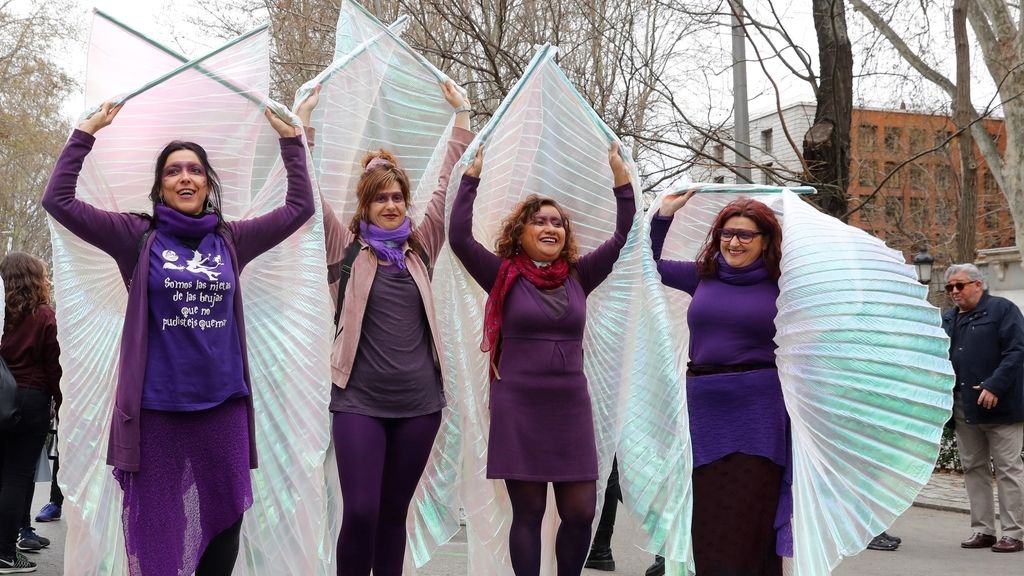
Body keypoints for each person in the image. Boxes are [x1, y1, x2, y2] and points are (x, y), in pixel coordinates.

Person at [41, 101, 313, 575]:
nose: (185, 178)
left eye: (195, 170)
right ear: (160, 186)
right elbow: (58, 201)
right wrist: (86, 131)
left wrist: (291, 140)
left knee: (225, 523)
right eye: (173, 171)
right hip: (157, 411)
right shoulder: (136, 237)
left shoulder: (231, 240)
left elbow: (299, 208)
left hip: (222, 405)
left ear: (208, 183)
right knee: (159, 531)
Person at [296, 80, 473, 576]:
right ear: (366, 205)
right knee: (362, 513)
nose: (391, 206)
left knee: (394, 516)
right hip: (358, 402)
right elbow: (306, 190)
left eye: (397, 197)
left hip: (419, 404)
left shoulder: (421, 246)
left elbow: (449, 184)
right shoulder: (344, 248)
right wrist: (301, 123)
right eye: (381, 200)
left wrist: (461, 114)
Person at [448, 143, 635, 576]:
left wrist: (620, 178)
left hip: (570, 407)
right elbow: (458, 237)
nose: (550, 227)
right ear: (521, 231)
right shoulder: (502, 275)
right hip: (519, 407)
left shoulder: (579, 276)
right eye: (540, 221)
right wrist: (471, 178)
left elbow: (624, 237)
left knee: (581, 512)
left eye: (558, 223)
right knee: (528, 514)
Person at [649, 193, 789, 575]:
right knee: (708, 523)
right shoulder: (703, 274)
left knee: (748, 522)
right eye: (727, 234)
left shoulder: (786, 284)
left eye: (745, 235)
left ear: (765, 240)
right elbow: (647, 263)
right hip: (704, 413)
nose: (734, 242)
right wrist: (663, 216)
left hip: (759, 415)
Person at [942, 263, 1024, 553]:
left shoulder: (1003, 310)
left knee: (1008, 470)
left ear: (978, 284)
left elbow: (1017, 351)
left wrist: (994, 385)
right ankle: (983, 530)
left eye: (959, 285)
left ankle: (1014, 533)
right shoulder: (948, 319)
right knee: (973, 468)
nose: (954, 291)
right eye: (950, 287)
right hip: (964, 407)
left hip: (1001, 406)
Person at [0, 252, 62, 574]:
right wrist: (59, 399)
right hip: (30, 398)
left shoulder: (2, 315)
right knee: (16, 478)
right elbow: (53, 365)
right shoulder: (43, 316)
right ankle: (6, 554)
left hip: (0, 398)